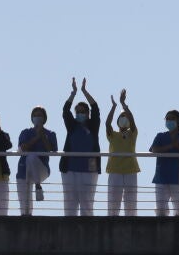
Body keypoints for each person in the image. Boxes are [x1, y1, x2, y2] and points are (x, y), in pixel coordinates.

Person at [60, 77, 101, 216]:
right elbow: (65, 110)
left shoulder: (93, 126)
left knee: (87, 203)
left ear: (88, 114)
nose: (79, 114)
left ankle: (87, 228)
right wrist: (73, 92)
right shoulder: (72, 126)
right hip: (69, 168)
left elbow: (95, 108)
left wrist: (84, 91)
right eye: (77, 111)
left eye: (83, 111)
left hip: (89, 169)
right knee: (70, 203)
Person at [149, 109, 179, 217]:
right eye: (167, 119)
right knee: (160, 211)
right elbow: (154, 149)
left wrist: (178, 146)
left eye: (172, 118)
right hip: (162, 177)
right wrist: (170, 146)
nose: (169, 121)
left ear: (178, 121)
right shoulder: (160, 136)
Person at [16, 106, 57, 216]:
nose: (37, 117)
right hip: (23, 170)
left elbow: (50, 149)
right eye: (35, 115)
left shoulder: (50, 134)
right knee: (24, 205)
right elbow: (23, 148)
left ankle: (38, 185)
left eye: (40, 115)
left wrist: (43, 136)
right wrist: (36, 137)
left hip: (41, 169)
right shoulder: (25, 132)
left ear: (44, 118)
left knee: (32, 157)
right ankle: (26, 220)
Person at [105, 89, 140, 216]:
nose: (124, 118)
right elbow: (107, 123)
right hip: (115, 170)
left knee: (131, 200)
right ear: (118, 121)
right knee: (113, 200)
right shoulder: (113, 135)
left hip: (131, 169)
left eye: (126, 117)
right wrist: (114, 107)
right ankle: (112, 220)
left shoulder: (132, 133)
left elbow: (132, 120)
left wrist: (123, 104)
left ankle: (131, 220)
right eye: (121, 117)